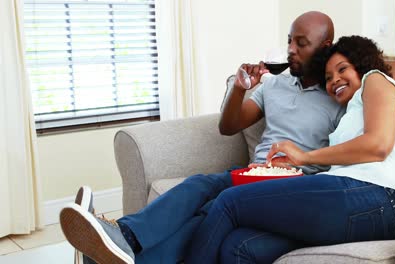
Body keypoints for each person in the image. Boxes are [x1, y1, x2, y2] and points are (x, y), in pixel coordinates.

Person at [59, 11, 345, 264]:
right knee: (199, 190)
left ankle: (116, 244)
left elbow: (348, 157)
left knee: (208, 209)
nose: (290, 49)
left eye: (301, 43)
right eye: (288, 41)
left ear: (325, 46)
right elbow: (229, 126)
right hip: (252, 173)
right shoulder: (275, 85)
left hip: (294, 184)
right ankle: (121, 237)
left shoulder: (339, 97)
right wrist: (238, 88)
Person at [181, 35, 395, 264]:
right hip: (361, 207)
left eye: (342, 69)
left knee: (229, 201)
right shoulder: (349, 115)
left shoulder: (375, 80)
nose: (334, 80)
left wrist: (304, 157)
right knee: (239, 246)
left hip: (381, 197)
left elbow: (377, 146)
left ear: (362, 64)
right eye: (327, 77)